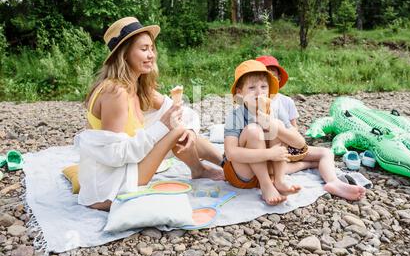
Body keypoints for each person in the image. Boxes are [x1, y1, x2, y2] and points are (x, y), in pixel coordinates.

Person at [78, 17, 224, 211]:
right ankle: (217, 167)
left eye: (152, 48)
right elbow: (115, 155)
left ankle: (226, 163)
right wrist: (164, 126)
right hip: (109, 186)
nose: (151, 55)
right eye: (143, 49)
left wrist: (191, 131)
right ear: (125, 54)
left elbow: (186, 113)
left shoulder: (138, 88)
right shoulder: (116, 92)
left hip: (128, 168)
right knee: (175, 129)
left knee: (181, 127)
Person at [223, 60, 366, 206]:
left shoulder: (274, 110)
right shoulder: (236, 116)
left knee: (278, 126)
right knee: (254, 130)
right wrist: (270, 154)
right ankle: (266, 186)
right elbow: (231, 153)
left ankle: (281, 181)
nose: (259, 92)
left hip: (269, 168)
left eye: (264, 87)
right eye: (252, 87)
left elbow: (299, 143)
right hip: (243, 173)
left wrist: (272, 124)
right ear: (240, 93)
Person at [256, 55, 299, 129]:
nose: (269, 81)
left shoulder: (287, 101)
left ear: (278, 78)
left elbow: (294, 126)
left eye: (273, 76)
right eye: (265, 77)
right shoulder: (252, 101)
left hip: (283, 136)